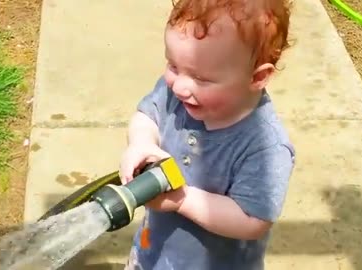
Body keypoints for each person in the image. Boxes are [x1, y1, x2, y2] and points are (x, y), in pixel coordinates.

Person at [119, 0, 295, 269]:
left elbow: (253, 220)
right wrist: (141, 142)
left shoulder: (265, 147)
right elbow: (148, 115)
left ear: (257, 78)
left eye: (201, 79)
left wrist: (183, 201)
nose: (179, 86)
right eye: (173, 66)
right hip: (152, 253)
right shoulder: (176, 93)